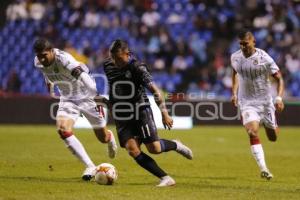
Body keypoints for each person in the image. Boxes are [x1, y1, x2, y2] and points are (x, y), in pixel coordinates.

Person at [103, 39, 193, 187]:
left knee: (155, 148)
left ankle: (176, 145)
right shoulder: (108, 65)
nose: (115, 62)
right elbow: (114, 86)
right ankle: (165, 178)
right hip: (122, 114)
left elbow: (156, 91)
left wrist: (164, 113)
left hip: (140, 110)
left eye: (118, 59)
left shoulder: (138, 68)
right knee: (132, 150)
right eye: (112, 58)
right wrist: (110, 103)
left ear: (128, 54)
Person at [33, 38, 118, 181]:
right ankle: (90, 165)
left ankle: (110, 138)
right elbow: (46, 72)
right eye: (39, 56)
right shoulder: (38, 62)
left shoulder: (65, 60)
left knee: (102, 138)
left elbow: (85, 78)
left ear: (52, 51)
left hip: (86, 95)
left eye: (44, 55)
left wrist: (95, 96)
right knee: (62, 129)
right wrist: (49, 83)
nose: (41, 59)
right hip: (68, 98)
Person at [231, 30, 284, 180]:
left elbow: (280, 79)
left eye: (245, 44)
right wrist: (234, 93)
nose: (243, 47)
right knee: (252, 132)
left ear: (253, 41)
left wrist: (279, 98)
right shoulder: (235, 57)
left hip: (265, 102)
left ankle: (271, 124)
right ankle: (264, 169)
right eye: (240, 44)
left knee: (272, 137)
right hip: (247, 102)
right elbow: (234, 74)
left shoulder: (265, 58)